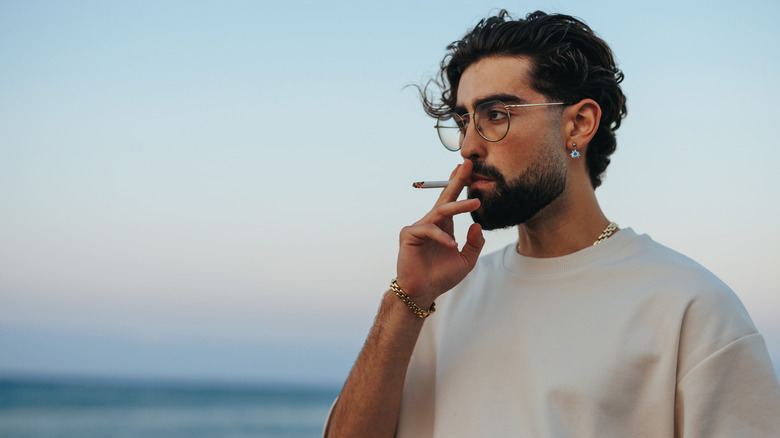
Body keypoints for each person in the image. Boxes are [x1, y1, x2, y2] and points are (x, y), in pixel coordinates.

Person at [324, 10, 780, 437]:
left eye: (495, 115)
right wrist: (404, 300)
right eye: (464, 120)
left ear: (579, 124)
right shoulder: (436, 295)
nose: (468, 147)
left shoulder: (689, 306)